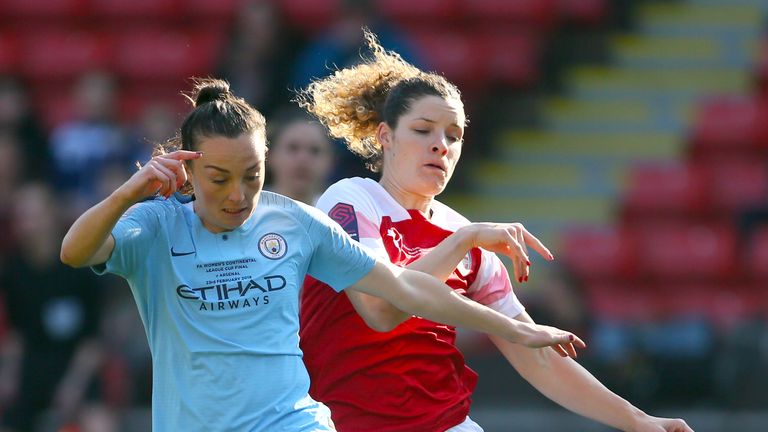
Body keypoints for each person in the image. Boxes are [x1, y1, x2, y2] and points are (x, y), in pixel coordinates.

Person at [59, 78, 585, 431]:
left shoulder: (293, 221)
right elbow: (75, 252)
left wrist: (513, 328)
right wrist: (129, 192)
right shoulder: (154, 225)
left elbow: (403, 288)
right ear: (189, 170)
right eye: (219, 179)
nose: (238, 195)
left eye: (252, 176)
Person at [297, 32, 694, 432]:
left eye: (453, 136)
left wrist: (638, 421)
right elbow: (379, 310)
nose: (441, 145)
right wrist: (463, 241)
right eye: (423, 130)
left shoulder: (464, 234)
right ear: (385, 136)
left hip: (445, 422)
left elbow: (535, 353)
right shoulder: (350, 200)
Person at [265, 108, 335, 205]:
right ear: (269, 155)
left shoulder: (333, 215)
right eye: (293, 148)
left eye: (315, 150)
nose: (303, 159)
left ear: (330, 161)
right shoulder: (246, 211)